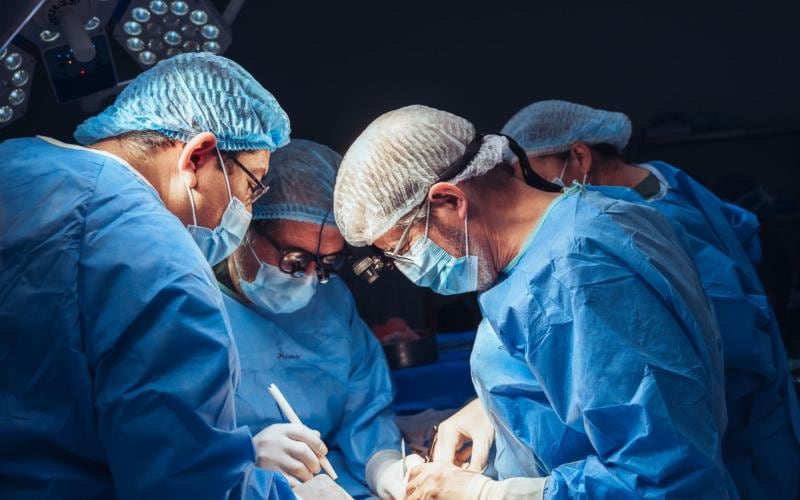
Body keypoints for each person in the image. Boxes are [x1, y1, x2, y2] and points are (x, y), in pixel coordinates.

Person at [332, 105, 733, 499]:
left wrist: (491, 494)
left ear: (450, 201)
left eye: (402, 248)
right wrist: (494, 412)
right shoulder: (570, 230)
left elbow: (664, 474)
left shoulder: (578, 271)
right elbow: (579, 378)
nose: (409, 268)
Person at [0, 53, 294, 499]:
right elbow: (191, 486)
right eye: (252, 187)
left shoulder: (14, 162)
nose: (247, 212)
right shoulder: (162, 262)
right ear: (198, 156)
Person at [501, 100, 800, 499]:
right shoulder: (664, 180)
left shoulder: (642, 224)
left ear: (579, 155)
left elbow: (718, 339)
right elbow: (743, 234)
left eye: (531, 174)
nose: (528, 192)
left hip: (741, 430)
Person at [215, 139, 420, 499]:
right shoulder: (193, 306)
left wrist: (384, 466)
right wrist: (238, 458)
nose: (310, 277)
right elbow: (160, 448)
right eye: (295, 259)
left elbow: (364, 411)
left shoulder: (332, 302)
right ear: (246, 228)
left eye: (327, 263)